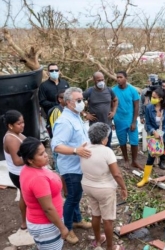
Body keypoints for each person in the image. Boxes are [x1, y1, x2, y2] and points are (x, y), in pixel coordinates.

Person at [51, 87, 92, 244]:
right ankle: (67, 228)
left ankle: (77, 219)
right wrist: (76, 151)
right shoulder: (64, 122)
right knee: (72, 197)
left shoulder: (76, 116)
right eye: (79, 100)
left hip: (79, 165)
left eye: (83, 100)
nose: (82, 103)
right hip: (70, 167)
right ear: (68, 103)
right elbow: (56, 146)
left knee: (76, 196)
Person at [80, 122, 127, 250]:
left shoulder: (84, 147)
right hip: (104, 189)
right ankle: (110, 247)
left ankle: (98, 240)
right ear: (103, 139)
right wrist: (123, 187)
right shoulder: (107, 152)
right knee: (107, 219)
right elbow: (116, 174)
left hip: (88, 186)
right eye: (107, 137)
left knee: (95, 214)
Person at [19, 137, 68, 249]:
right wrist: (62, 227)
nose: (46, 155)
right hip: (46, 225)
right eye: (41, 154)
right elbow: (48, 209)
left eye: (44, 151)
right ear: (31, 160)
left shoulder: (27, 169)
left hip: (43, 222)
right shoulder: (38, 178)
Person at [137, 88, 165, 187]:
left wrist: (160, 133)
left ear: (161, 99)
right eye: (152, 97)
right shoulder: (149, 108)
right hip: (154, 137)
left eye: (154, 97)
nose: (152, 99)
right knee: (151, 157)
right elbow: (148, 124)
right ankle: (145, 178)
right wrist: (153, 131)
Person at [1, 110, 27, 230]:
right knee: (25, 196)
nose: (22, 125)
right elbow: (17, 161)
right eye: (19, 123)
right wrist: (33, 158)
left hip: (21, 172)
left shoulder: (16, 133)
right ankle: (24, 222)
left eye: (23, 122)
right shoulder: (11, 139)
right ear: (10, 125)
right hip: (19, 173)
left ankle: (26, 220)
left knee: (26, 196)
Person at [112, 71, 142, 170]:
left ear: (126, 78)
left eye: (120, 77)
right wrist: (112, 120)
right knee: (122, 141)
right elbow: (111, 105)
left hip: (130, 120)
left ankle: (134, 161)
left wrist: (134, 121)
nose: (118, 79)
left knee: (134, 141)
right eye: (117, 77)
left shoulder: (133, 91)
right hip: (119, 120)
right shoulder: (113, 91)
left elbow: (136, 106)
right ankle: (126, 160)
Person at [83, 72, 118, 148]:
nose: (101, 82)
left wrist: (114, 111)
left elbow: (115, 100)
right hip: (95, 126)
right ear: (94, 80)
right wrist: (85, 114)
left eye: (102, 80)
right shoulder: (89, 91)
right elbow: (77, 100)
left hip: (107, 125)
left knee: (107, 146)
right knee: (96, 147)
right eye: (98, 80)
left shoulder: (109, 90)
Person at [47, 89, 68, 197]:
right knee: (62, 169)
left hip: (66, 144)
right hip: (60, 145)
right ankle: (65, 192)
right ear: (60, 99)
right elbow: (57, 131)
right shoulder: (57, 111)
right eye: (66, 97)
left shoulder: (66, 110)